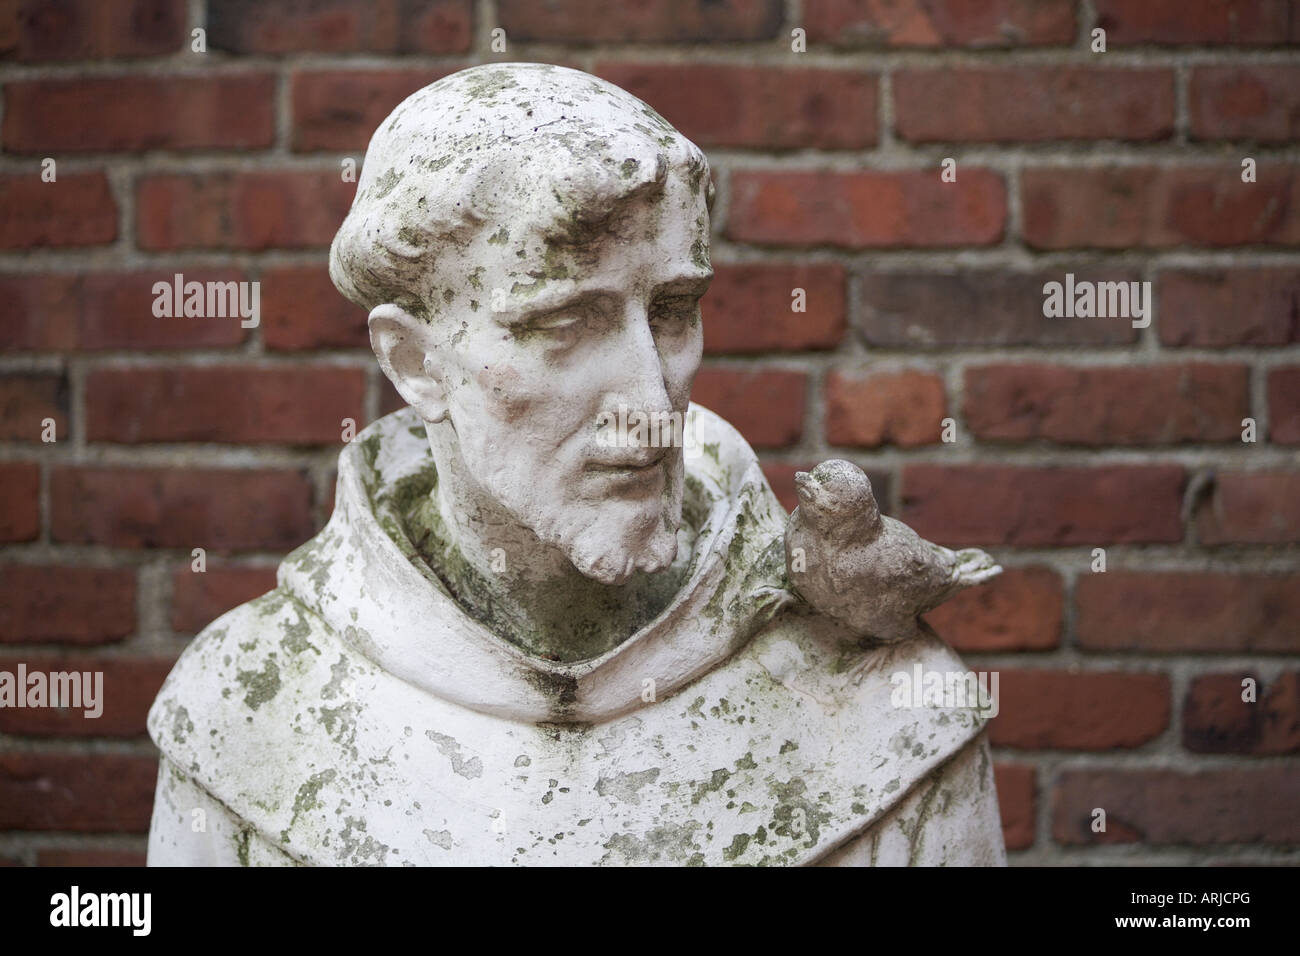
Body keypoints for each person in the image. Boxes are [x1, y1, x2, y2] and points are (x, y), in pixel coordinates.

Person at [146, 63, 1005, 866]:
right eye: (564, 325)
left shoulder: (885, 712)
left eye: (673, 310)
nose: (650, 397)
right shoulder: (249, 714)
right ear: (417, 364)